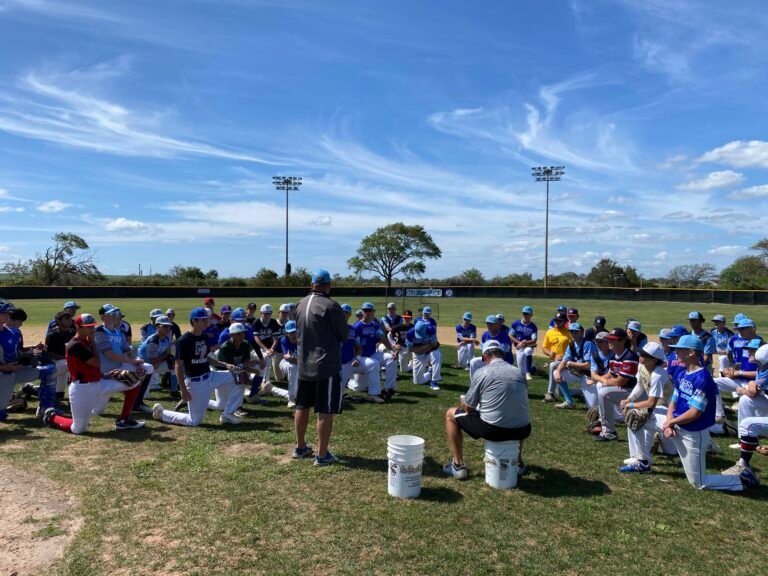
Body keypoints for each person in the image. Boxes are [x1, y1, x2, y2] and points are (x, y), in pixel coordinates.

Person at [662, 335, 754, 491]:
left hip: (693, 433)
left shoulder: (703, 378)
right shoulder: (682, 373)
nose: (676, 352)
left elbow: (695, 413)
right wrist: (669, 422)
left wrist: (670, 422)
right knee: (650, 419)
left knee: (698, 482)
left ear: (691, 352)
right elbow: (674, 400)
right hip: (678, 427)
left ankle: (743, 480)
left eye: (680, 349)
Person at [42, 313, 147, 434]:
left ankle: (124, 420)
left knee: (134, 382)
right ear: (78, 327)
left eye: (93, 326)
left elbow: (93, 367)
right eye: (88, 327)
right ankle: (52, 417)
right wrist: (92, 341)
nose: (92, 329)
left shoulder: (85, 341)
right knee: (78, 429)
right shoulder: (75, 345)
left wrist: (106, 375)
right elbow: (97, 363)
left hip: (99, 382)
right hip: (82, 389)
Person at [442, 339, 531, 480]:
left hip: (493, 430)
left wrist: (463, 401)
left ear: (485, 356)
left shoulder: (482, 372)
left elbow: (469, 408)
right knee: (515, 413)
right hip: (523, 429)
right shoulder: (518, 372)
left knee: (450, 414)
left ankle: (458, 465)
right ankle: (518, 463)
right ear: (502, 354)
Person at [293, 269, 348, 466]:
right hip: (325, 366)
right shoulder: (331, 305)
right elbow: (343, 334)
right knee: (325, 410)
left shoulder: (299, 304)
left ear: (312, 285)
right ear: (328, 285)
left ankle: (300, 447)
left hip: (304, 364)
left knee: (302, 405)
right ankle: (322, 454)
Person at [152, 307, 241, 426]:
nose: (207, 321)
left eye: (207, 319)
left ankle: (227, 415)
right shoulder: (183, 341)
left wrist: (225, 365)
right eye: (203, 319)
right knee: (194, 421)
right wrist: (183, 390)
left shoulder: (204, 336)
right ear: (194, 321)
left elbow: (205, 358)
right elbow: (178, 366)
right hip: (196, 383)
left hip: (210, 376)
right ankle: (161, 413)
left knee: (237, 377)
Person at [91, 304, 154, 421]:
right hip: (104, 375)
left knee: (147, 368)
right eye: (111, 314)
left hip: (119, 368)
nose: (115, 316)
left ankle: (137, 403)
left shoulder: (119, 332)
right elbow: (110, 355)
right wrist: (132, 361)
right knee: (98, 411)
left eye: (116, 313)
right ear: (102, 317)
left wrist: (137, 362)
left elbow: (127, 351)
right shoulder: (99, 332)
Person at [617, 342, 670, 473]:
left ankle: (644, 458)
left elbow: (651, 403)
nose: (640, 356)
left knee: (671, 450)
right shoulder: (642, 366)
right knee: (634, 416)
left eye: (645, 355)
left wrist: (630, 405)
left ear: (654, 360)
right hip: (656, 410)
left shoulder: (658, 374)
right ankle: (638, 458)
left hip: (667, 411)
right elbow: (640, 385)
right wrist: (629, 400)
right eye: (641, 353)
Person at [721, 343, 768, 487]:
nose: (757, 364)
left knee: (747, 425)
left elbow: (753, 391)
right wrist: (753, 382)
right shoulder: (764, 368)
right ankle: (746, 442)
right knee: (746, 400)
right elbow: (754, 389)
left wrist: (744, 389)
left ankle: (743, 466)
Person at [592, 328, 639, 442]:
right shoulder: (614, 357)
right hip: (624, 390)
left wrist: (604, 382)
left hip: (635, 393)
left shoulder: (630, 357)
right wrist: (600, 380)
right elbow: (611, 375)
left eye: (613, 340)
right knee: (601, 387)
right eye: (608, 339)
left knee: (604, 393)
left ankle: (609, 432)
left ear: (622, 341)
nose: (609, 342)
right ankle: (604, 421)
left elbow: (620, 382)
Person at [339, 304, 382, 402]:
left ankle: (373, 394)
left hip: (350, 362)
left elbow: (358, 347)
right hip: (336, 365)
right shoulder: (331, 329)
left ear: (350, 315)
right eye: (342, 313)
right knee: (336, 397)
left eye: (346, 313)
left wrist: (357, 359)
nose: (344, 315)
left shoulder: (352, 329)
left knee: (374, 363)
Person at [353, 302, 397, 399]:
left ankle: (389, 388)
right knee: (359, 388)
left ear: (374, 312)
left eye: (370, 310)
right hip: (360, 358)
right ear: (362, 312)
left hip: (372, 354)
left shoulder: (375, 325)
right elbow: (356, 346)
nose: (368, 312)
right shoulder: (357, 326)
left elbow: (383, 338)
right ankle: (350, 382)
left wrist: (392, 350)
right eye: (365, 310)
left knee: (391, 358)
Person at [133, 315, 175, 414]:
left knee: (176, 366)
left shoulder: (166, 338)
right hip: (145, 368)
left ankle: (174, 390)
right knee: (144, 395)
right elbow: (154, 363)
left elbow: (165, 354)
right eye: (165, 326)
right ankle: (137, 404)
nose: (167, 328)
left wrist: (168, 357)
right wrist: (166, 355)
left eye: (169, 326)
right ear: (157, 327)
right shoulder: (153, 341)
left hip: (155, 365)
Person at [553, 323, 593, 409]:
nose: (573, 334)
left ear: (582, 332)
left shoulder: (588, 344)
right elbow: (564, 360)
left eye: (576, 332)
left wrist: (572, 364)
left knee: (591, 406)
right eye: (571, 332)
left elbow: (588, 365)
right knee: (556, 372)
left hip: (588, 376)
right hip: (578, 373)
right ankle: (569, 402)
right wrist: (558, 371)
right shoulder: (571, 344)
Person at [44, 310, 76, 402]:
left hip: (64, 362)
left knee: (59, 395)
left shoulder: (72, 332)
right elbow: (49, 353)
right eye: (66, 318)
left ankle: (59, 393)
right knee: (71, 365)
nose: (69, 320)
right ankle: (77, 393)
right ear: (59, 321)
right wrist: (66, 358)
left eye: (70, 318)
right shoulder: (53, 334)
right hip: (54, 363)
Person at [541, 312, 572, 402]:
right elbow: (544, 348)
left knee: (552, 366)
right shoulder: (550, 332)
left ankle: (550, 393)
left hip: (566, 360)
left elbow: (573, 349)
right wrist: (550, 354)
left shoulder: (569, 333)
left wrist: (564, 357)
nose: (557, 322)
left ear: (565, 322)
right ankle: (581, 392)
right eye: (556, 320)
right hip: (554, 360)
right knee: (560, 392)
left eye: (559, 321)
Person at [406, 320, 443, 391]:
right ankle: (430, 373)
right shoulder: (410, 333)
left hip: (429, 351)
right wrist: (424, 347)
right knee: (417, 381)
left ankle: (434, 381)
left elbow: (435, 345)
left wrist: (421, 349)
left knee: (437, 354)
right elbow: (410, 349)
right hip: (418, 354)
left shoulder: (431, 330)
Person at [252, 304, 280, 386]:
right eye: (265, 313)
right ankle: (264, 380)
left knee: (267, 358)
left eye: (269, 313)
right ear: (261, 313)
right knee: (265, 359)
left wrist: (272, 349)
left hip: (269, 348)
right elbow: (256, 339)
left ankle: (265, 380)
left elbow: (276, 339)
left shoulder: (273, 322)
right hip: (257, 348)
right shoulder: (256, 322)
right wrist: (266, 350)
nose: (267, 315)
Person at [510, 306, 538, 381]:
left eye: (527, 314)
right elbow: (510, 335)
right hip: (519, 347)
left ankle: (528, 373)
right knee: (521, 371)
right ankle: (534, 369)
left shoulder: (533, 327)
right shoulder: (516, 324)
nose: (525, 315)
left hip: (529, 346)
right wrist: (519, 343)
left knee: (528, 351)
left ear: (531, 315)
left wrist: (524, 342)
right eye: (524, 313)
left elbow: (534, 340)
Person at [279, 320, 300, 407]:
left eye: (295, 331)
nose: (293, 334)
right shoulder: (284, 340)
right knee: (293, 367)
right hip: (285, 363)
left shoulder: (302, 340)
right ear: (287, 333)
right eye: (291, 333)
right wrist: (294, 359)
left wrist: (292, 358)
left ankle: (271, 389)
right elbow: (286, 358)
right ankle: (291, 398)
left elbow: (303, 360)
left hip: (299, 364)